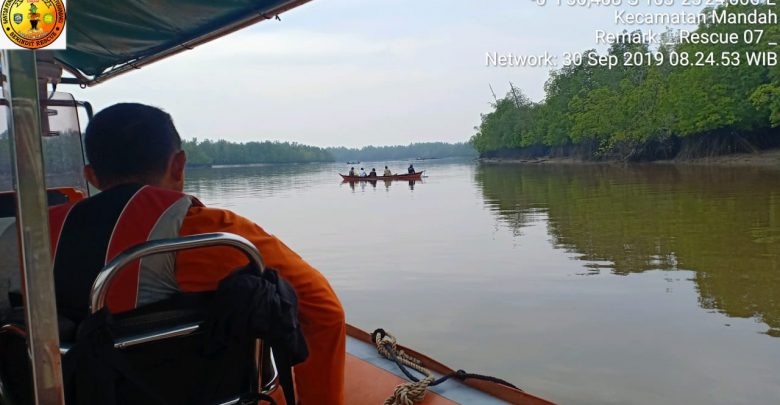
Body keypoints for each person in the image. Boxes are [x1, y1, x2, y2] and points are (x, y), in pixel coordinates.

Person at [55, 103, 346, 404]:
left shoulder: (33, 239)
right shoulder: (211, 234)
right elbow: (323, 312)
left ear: (91, 176)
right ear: (179, 164)